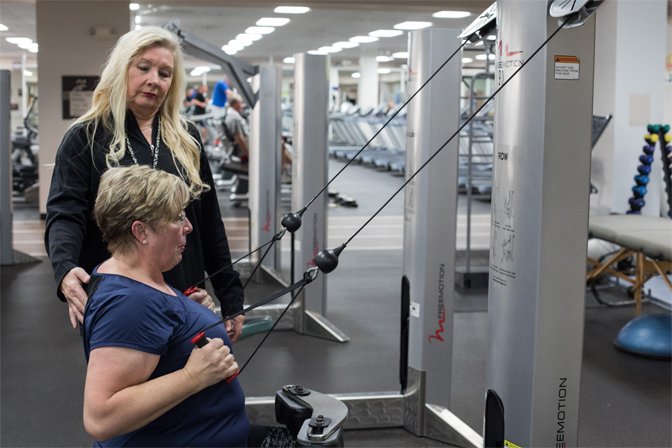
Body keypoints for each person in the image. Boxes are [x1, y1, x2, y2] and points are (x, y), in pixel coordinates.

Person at [44, 26, 245, 341]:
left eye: (165, 73)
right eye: (144, 68)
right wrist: (65, 268)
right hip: (121, 297)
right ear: (122, 69)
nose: (155, 79)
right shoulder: (87, 136)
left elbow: (207, 222)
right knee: (128, 387)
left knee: (193, 381)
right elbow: (65, 212)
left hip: (184, 290)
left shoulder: (187, 138)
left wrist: (231, 296)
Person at [84, 165, 293, 446]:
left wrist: (189, 313)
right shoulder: (129, 304)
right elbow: (101, 419)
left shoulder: (138, 278)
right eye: (177, 217)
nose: (188, 226)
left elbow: (159, 340)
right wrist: (193, 376)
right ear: (141, 230)